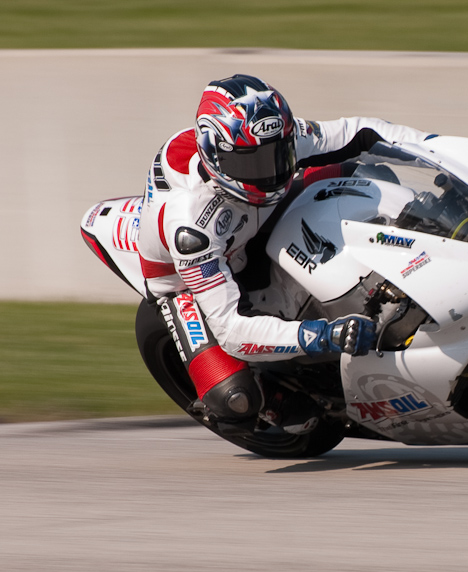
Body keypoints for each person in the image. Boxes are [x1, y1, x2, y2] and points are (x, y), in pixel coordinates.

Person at [136, 74, 432, 430]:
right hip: (186, 280)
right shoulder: (192, 226)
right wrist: (323, 335)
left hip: (253, 220)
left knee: (369, 176)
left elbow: (363, 132)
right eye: (254, 164)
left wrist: (438, 152)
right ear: (217, 158)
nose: (270, 174)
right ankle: (272, 399)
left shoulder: (267, 134)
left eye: (278, 156)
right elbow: (231, 329)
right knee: (235, 397)